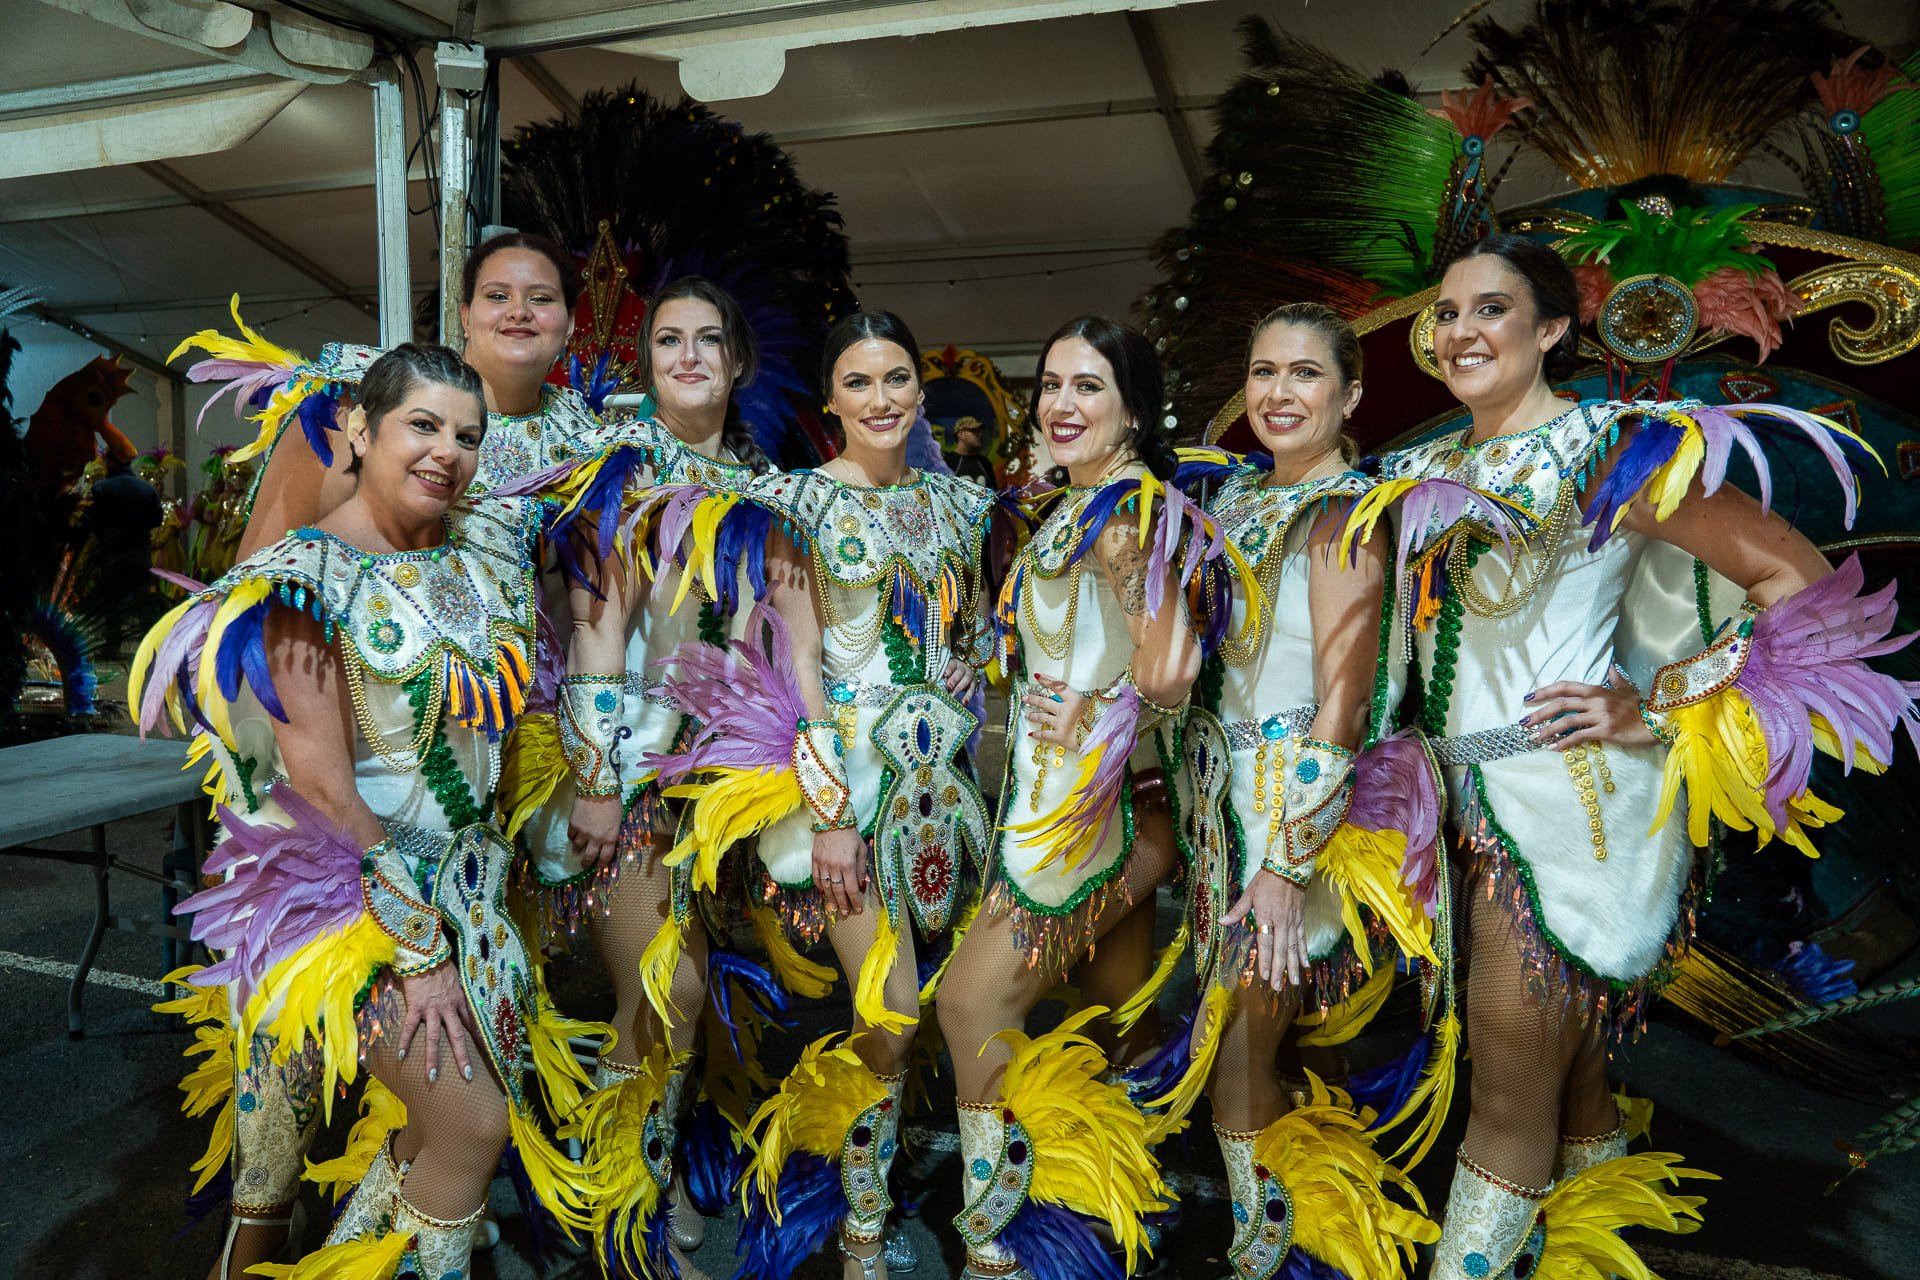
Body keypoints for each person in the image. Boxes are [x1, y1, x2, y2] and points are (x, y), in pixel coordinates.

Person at [1361, 234, 1919, 1278]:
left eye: (1490, 309)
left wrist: (1658, 703)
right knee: (1568, 1081)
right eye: (1445, 313)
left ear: (1555, 328)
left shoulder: (1617, 448)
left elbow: (1792, 576)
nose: (1458, 332)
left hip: (1571, 804)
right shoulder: (1425, 469)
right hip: (1458, 799)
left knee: (1508, 1083)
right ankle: (1598, 1248)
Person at [162, 231, 609, 1278]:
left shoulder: (489, 548)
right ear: (357, 429)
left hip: (463, 881)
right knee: (462, 1122)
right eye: (420, 425)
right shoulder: (304, 575)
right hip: (346, 894)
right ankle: (266, 1244)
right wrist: (421, 947)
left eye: (465, 433)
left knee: (430, 1134)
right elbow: (318, 782)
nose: (445, 451)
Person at [648, 311, 994, 1280]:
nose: (881, 399)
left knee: (915, 1003)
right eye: (860, 382)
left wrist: (966, 669)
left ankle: (893, 1191)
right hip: (844, 778)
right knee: (889, 1007)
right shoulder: (794, 502)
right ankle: (862, 1228)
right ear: (830, 401)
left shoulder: (959, 505)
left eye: (896, 380)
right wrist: (832, 811)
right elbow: (790, 656)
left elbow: (964, 635)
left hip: (943, 787)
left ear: (919, 391)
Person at [1150, 303, 1446, 1280]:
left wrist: (1283, 866)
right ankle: (1312, 1240)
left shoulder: (1344, 512)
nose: (1280, 392)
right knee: (1255, 1055)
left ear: (1351, 392)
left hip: (1287, 838)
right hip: (1217, 828)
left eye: (1306, 374)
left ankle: (1270, 1253)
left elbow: (1344, 704)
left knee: (1238, 1065)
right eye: (1265, 370)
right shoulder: (1232, 503)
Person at [495, 275, 777, 1277]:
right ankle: (627, 1223)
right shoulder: (615, 476)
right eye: (670, 342)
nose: (691, 355)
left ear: (738, 362)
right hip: (629, 765)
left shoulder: (762, 485)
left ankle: (640, 1186)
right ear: (646, 364)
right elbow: (597, 630)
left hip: (721, 783)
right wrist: (602, 779)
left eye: (710, 339)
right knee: (666, 991)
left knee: (679, 1002)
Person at [934, 315, 1223, 1280]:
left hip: (1091, 821)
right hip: (1087, 805)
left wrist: (1102, 712)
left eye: (1088, 387)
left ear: (1134, 408)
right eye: (1052, 384)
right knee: (1119, 1024)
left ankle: (1005, 1240)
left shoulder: (1123, 513)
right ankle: (1115, 1204)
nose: (1060, 404)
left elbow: (1174, 669)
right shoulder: (1079, 503)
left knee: (972, 1004)